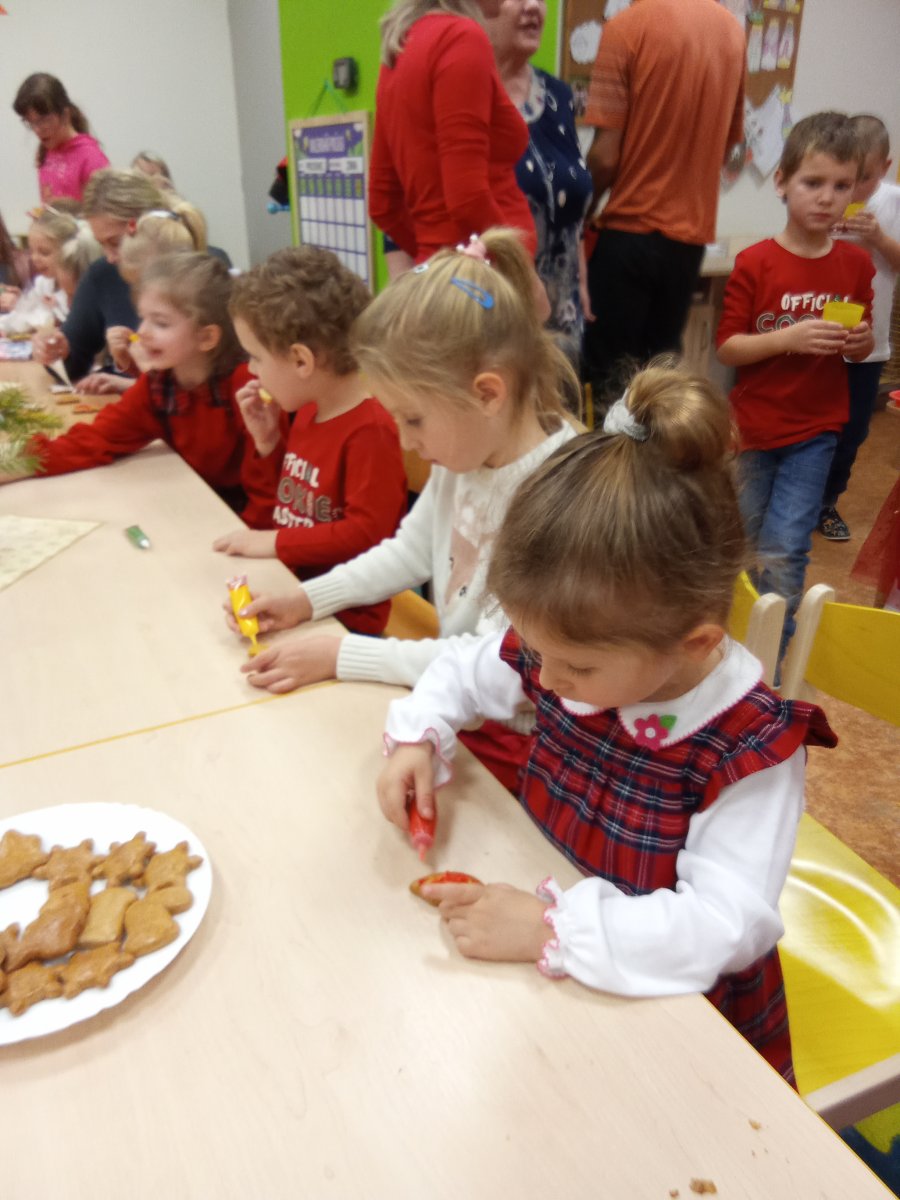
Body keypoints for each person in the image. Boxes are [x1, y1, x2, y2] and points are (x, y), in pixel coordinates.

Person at [377, 365, 837, 1082]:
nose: (546, 681)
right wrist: (419, 733)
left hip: (674, 1016)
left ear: (695, 643)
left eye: (577, 668)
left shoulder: (747, 747)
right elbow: (466, 668)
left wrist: (551, 927)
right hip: (552, 973)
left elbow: (723, 927)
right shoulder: (574, 647)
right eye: (537, 653)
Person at [224, 229, 578, 788]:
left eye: (413, 419)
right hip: (456, 705)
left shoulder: (559, 495)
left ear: (488, 393)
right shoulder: (469, 451)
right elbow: (408, 552)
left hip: (526, 745)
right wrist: (306, 600)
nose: (406, 440)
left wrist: (344, 655)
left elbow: (498, 663)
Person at [717, 112, 875, 662]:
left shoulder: (856, 265)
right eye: (813, 182)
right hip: (753, 429)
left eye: (842, 186)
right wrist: (788, 338)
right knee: (739, 542)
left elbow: (859, 344)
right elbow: (728, 347)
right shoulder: (755, 262)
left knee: (785, 548)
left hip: (816, 431)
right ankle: (723, 650)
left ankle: (768, 664)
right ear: (782, 182)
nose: (827, 198)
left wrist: (860, 342)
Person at [212, 246, 407, 637]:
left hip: (346, 621)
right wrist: (268, 445)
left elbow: (366, 534)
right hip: (294, 591)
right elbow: (285, 506)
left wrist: (276, 543)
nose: (251, 369)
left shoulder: (371, 431)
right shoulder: (306, 411)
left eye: (256, 357)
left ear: (301, 361)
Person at [0, 253, 275, 528]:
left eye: (161, 323)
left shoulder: (247, 387)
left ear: (206, 337)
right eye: (142, 318)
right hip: (201, 511)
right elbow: (94, 441)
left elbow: (271, 485)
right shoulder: (158, 386)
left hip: (249, 522)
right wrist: (13, 461)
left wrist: (251, 539)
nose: (142, 332)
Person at [582, 0, 745, 401]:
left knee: (606, 384)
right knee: (659, 386)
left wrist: (581, 213)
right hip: (688, 244)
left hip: (628, 236)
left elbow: (605, 158)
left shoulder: (626, 28)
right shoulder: (732, 32)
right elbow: (727, 146)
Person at [369, 0, 536, 262]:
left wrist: (437, 256)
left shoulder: (400, 47)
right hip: (487, 275)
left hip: (451, 273)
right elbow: (466, 196)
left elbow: (382, 202)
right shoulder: (461, 37)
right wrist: (518, 270)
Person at [485, 0, 592, 358]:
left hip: (562, 323)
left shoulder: (559, 96)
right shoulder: (461, 90)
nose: (533, 6)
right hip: (493, 326)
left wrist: (581, 280)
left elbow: (569, 197)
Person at [818, 115, 900, 541]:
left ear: (885, 168)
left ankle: (827, 502)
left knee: (851, 433)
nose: (853, 188)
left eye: (863, 177)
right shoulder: (827, 195)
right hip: (816, 339)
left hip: (868, 345)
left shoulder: (893, 201)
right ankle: (795, 497)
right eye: (846, 175)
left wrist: (880, 239)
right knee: (810, 426)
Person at [30, 169, 167, 386]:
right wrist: (57, 351)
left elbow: (199, 382)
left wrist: (126, 385)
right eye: (102, 244)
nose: (110, 257)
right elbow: (74, 364)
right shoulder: (104, 274)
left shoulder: (198, 273)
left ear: (147, 225)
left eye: (116, 243)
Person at [0, 206, 100, 336]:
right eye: (31, 251)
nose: (35, 258)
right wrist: (18, 307)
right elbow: (27, 315)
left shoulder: (78, 285)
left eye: (44, 253)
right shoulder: (43, 283)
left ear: (67, 251)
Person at [13, 73, 109, 203]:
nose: (37, 130)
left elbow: (103, 214)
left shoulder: (92, 159)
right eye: (30, 122)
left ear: (65, 114)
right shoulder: (44, 152)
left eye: (43, 120)